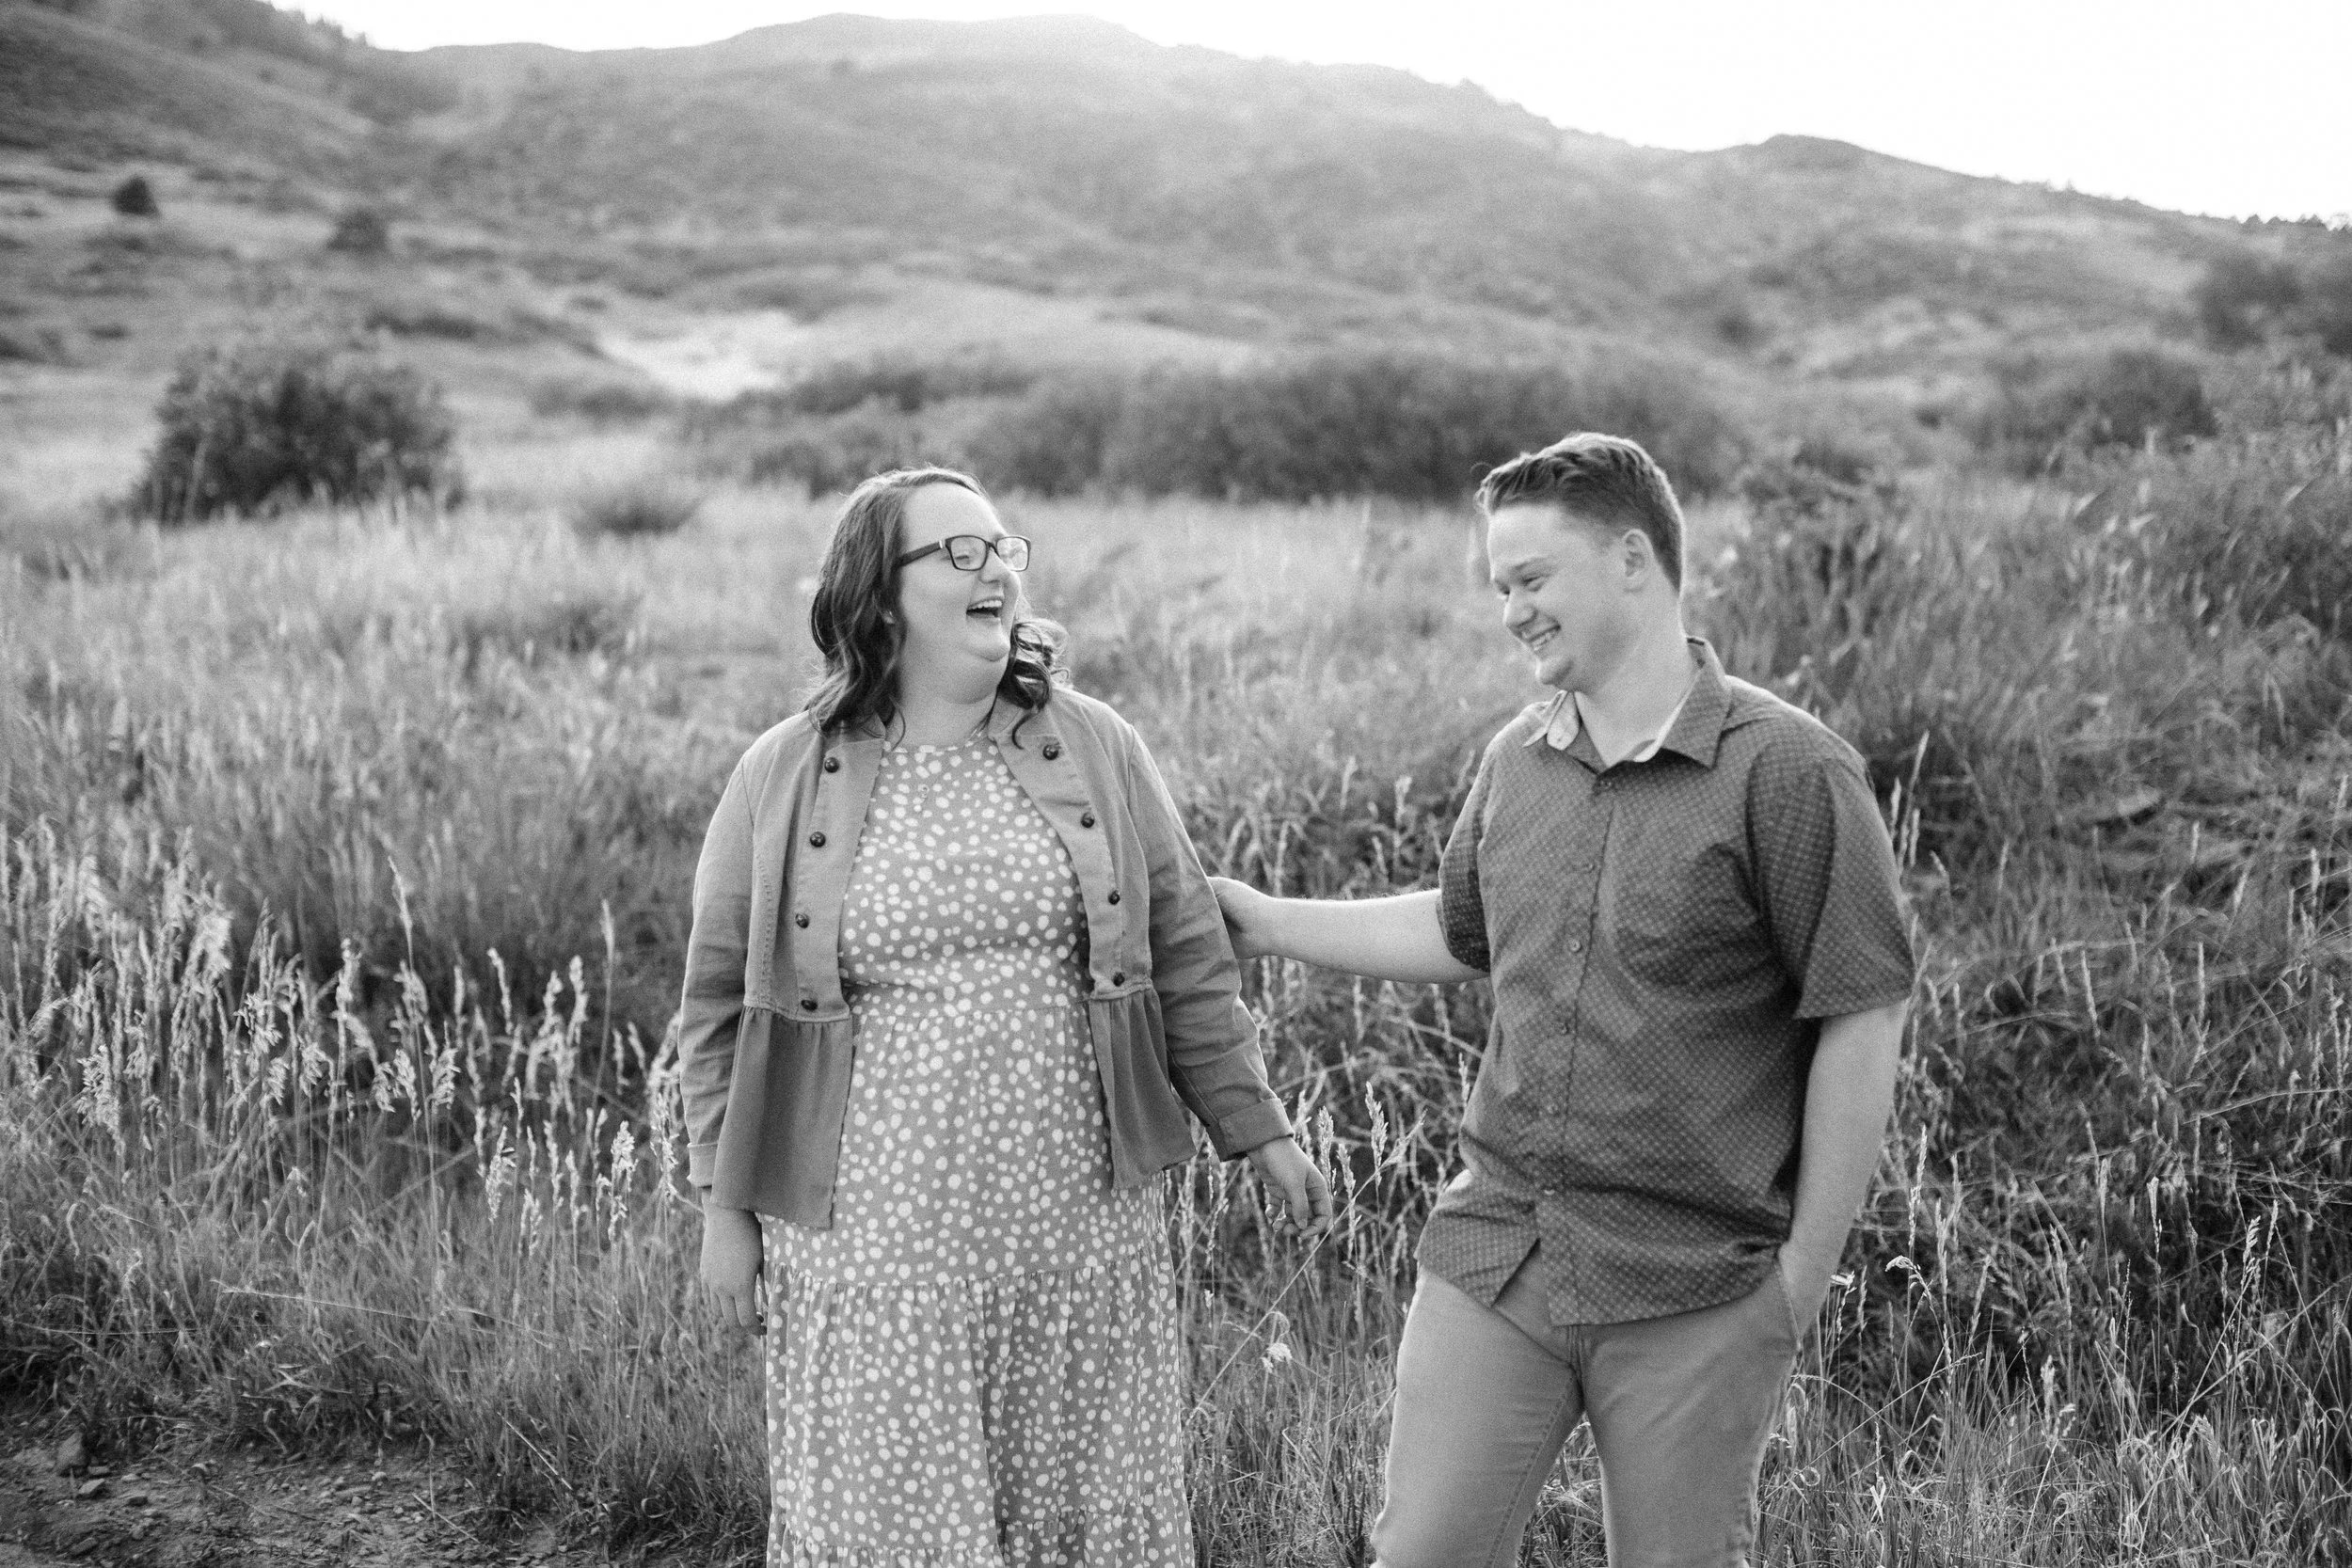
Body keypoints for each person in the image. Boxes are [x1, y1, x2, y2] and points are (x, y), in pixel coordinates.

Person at [1213, 433, 1915, 1568]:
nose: (1510, 612)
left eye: (1530, 580)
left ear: (1632, 559)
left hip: (1696, 1282)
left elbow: (1863, 1010)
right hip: (1498, 1256)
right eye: (1499, 587)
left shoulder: (1788, 770)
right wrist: (1262, 916)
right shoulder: (1517, 759)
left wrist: (1796, 1284)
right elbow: (1462, 930)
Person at [682, 466, 1331, 1568]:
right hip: (872, 1245)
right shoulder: (784, 772)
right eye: (958, 551)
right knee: (891, 1526)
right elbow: (712, 1005)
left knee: (1080, 1516)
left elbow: (1182, 945)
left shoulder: (1093, 744)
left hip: (1075, 1224)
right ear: (881, 595)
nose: (995, 568)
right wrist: (722, 1205)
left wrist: (1256, 1125)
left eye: (1002, 547)